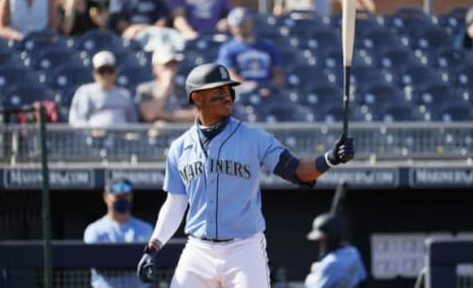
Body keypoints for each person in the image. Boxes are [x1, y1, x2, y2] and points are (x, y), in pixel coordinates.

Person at [136, 63, 355, 287]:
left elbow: (297, 172)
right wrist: (152, 248)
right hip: (198, 249)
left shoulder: (254, 138)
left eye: (229, 90)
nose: (228, 96)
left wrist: (330, 158)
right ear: (197, 97)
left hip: (243, 249)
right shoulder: (179, 148)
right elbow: (175, 205)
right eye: (218, 91)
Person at [84, 178, 153, 288]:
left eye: (125, 196)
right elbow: (99, 265)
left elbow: (149, 264)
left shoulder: (145, 229)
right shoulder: (94, 230)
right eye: (117, 197)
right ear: (105, 196)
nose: (122, 200)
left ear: (131, 197)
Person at [217, 7, 286, 91]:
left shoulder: (268, 46)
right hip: (241, 95)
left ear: (251, 22)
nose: (243, 26)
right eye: (239, 24)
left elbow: (278, 73)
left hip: (267, 94)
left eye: (245, 23)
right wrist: (248, 87)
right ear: (232, 27)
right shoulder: (228, 49)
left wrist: (270, 88)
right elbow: (229, 75)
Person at [68, 50, 138, 127]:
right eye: (102, 71)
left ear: (116, 72)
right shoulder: (85, 92)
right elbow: (76, 120)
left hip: (121, 138)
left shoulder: (125, 94)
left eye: (109, 70)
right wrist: (91, 130)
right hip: (92, 138)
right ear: (94, 74)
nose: (106, 74)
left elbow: (132, 122)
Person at [305, 212, 367, 288]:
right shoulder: (353, 252)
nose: (321, 243)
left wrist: (313, 274)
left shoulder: (331, 263)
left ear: (330, 239)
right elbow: (363, 278)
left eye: (322, 240)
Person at [136, 46, 197, 122]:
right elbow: (149, 115)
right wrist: (166, 87)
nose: (171, 68)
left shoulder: (185, 89)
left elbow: (198, 116)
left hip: (183, 132)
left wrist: (165, 115)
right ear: (155, 68)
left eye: (173, 64)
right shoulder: (145, 89)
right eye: (166, 65)